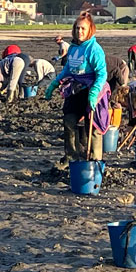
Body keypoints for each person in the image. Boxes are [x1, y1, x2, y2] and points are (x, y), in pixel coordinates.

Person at [46, 11, 110, 161]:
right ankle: (72, 157)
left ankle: (95, 159)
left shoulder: (94, 49)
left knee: (92, 127)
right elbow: (68, 69)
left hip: (92, 89)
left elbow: (102, 73)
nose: (79, 31)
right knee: (69, 122)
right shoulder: (73, 48)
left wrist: (94, 92)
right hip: (75, 89)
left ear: (89, 30)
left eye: (83, 29)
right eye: (77, 28)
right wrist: (55, 83)